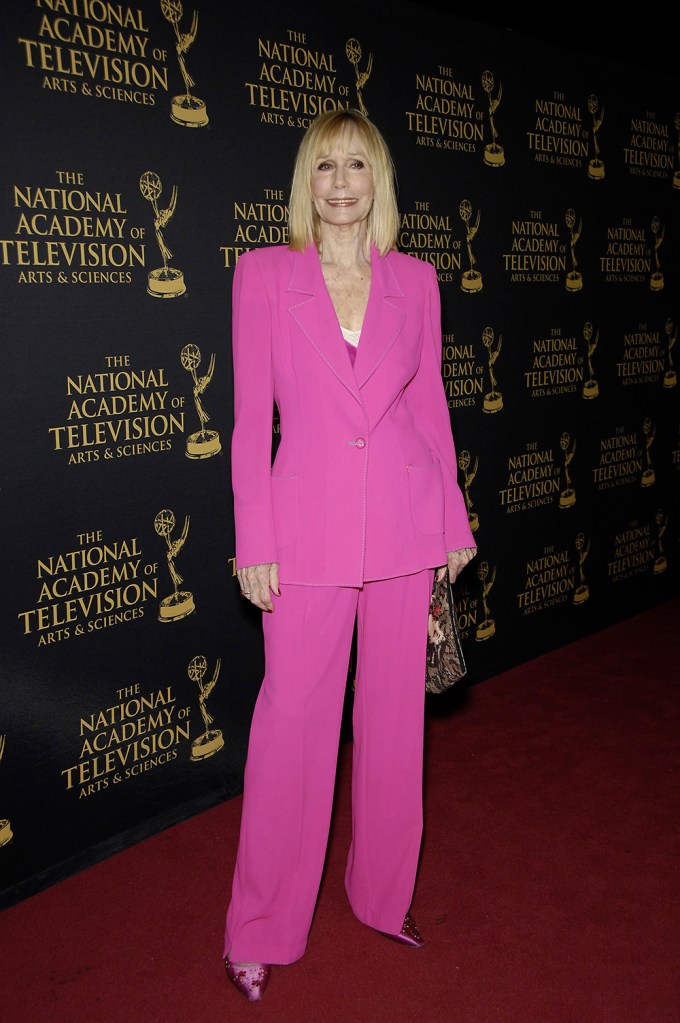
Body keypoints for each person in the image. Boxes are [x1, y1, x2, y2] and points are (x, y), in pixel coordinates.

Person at [223, 108, 476, 1002]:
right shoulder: (263, 276)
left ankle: (381, 897)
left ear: (380, 181)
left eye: (356, 165)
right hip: (306, 537)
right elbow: (253, 424)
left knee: (395, 728)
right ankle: (261, 924)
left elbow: (431, 410)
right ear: (306, 181)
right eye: (324, 165)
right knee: (291, 729)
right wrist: (255, 539)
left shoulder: (417, 280)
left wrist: (452, 520)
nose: (340, 182)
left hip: (407, 530)